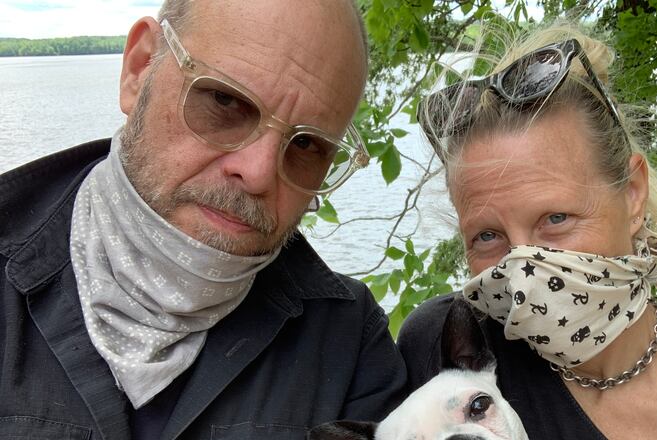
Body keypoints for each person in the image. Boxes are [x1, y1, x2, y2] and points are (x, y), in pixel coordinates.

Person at [0, 0, 407, 438]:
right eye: (225, 101)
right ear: (139, 68)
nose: (258, 173)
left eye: (306, 145)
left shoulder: (349, 346)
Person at [399, 23, 657, 439]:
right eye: (487, 236)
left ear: (632, 194)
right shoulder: (445, 354)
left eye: (556, 219)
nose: (521, 272)